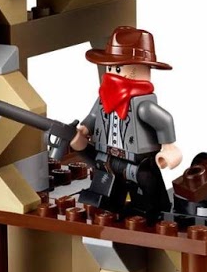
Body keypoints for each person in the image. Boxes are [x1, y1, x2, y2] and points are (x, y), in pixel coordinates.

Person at [70, 26, 182, 220]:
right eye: (110, 67)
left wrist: (168, 146)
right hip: (109, 156)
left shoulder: (143, 106)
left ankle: (152, 212)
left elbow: (164, 120)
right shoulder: (105, 97)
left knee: (146, 183)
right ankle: (110, 206)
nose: (112, 73)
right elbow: (94, 116)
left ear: (140, 68)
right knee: (109, 184)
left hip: (138, 160)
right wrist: (84, 128)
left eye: (118, 68)